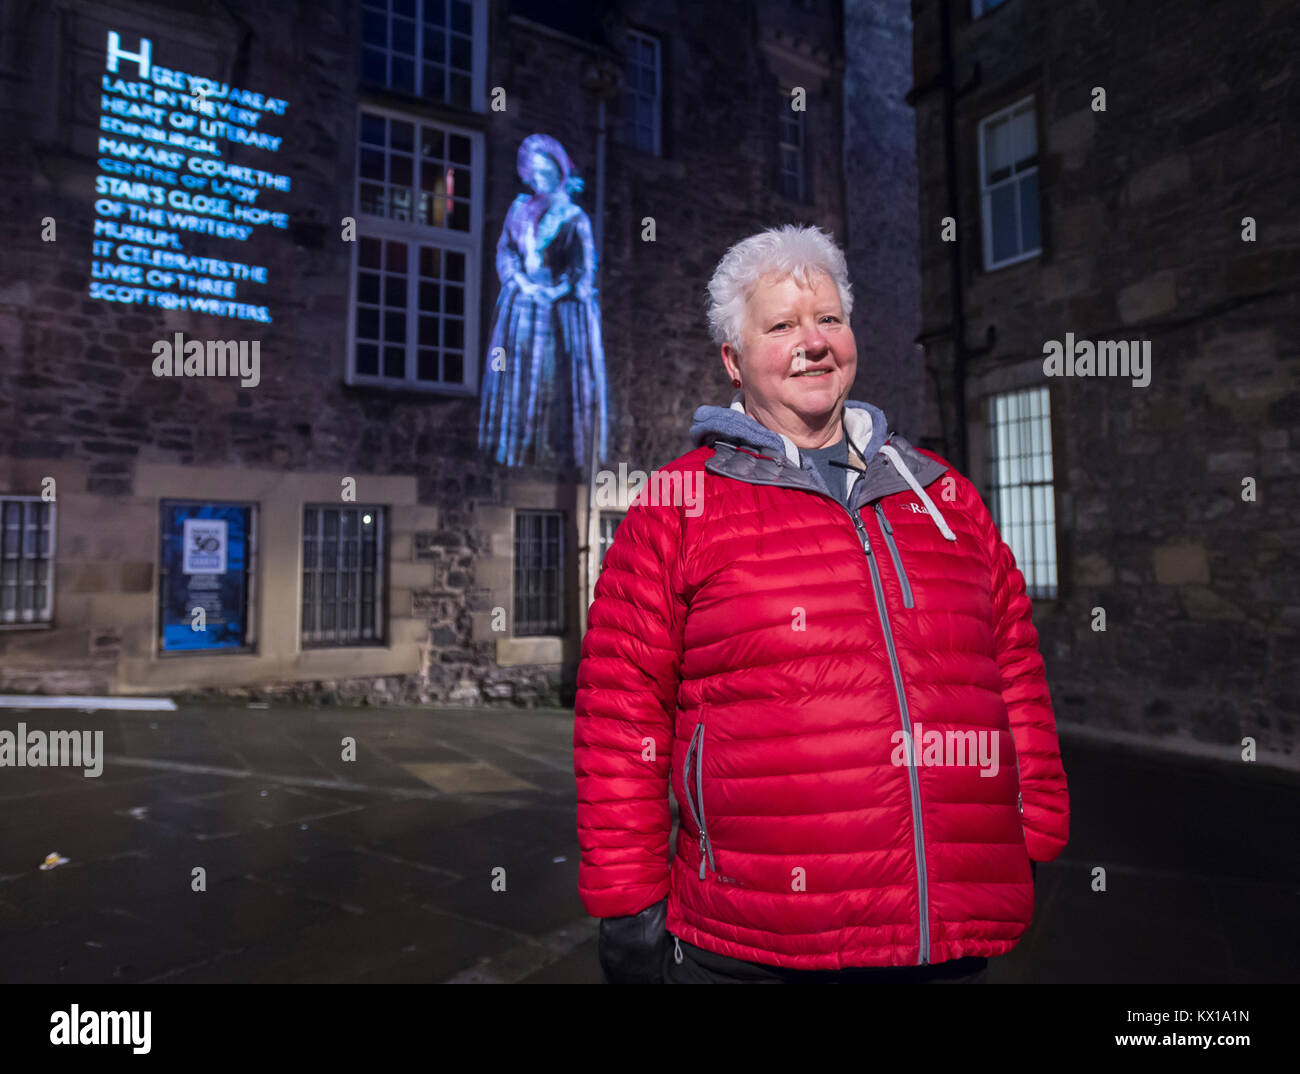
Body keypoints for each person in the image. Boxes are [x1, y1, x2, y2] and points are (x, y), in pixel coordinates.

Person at [574, 224, 1070, 984]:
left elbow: (1015, 675)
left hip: (943, 937)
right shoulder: (676, 506)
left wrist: (1034, 837)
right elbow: (621, 718)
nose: (813, 342)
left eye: (829, 319)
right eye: (781, 326)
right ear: (733, 362)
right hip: (756, 945)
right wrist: (628, 909)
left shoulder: (942, 496)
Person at [478, 133, 609, 469]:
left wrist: (555, 291)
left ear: (560, 170)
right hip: (522, 310)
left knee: (550, 379)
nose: (542, 179)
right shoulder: (520, 210)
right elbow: (505, 250)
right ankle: (515, 448)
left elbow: (583, 269)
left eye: (548, 172)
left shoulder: (574, 218)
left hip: (560, 315)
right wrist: (520, 282)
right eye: (536, 173)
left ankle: (552, 452)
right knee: (518, 374)